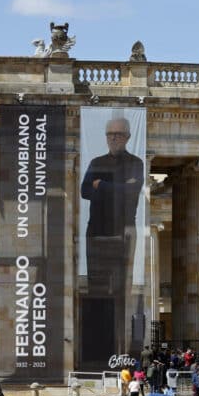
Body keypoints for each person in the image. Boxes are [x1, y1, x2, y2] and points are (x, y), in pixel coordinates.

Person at [80, 116, 145, 354]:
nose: (114, 138)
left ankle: (122, 352)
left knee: (123, 294)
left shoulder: (136, 162)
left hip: (124, 233)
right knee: (96, 293)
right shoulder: (96, 161)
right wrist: (118, 187)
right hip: (96, 233)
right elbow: (85, 191)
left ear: (128, 137)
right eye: (110, 134)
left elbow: (131, 191)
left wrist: (103, 186)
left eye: (118, 134)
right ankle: (97, 351)